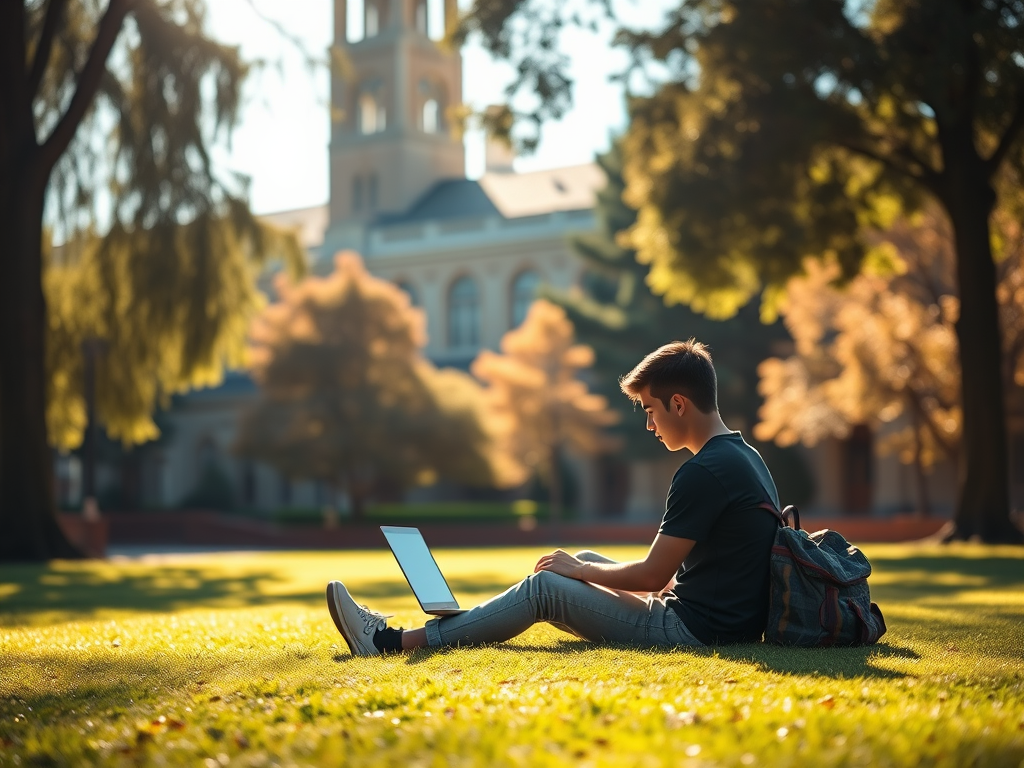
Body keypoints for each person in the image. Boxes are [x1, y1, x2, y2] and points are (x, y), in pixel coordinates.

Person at [326, 339, 780, 655]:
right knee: (575, 561)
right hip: (720, 622)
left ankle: (389, 642)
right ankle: (471, 624)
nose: (649, 425)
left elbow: (652, 574)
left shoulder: (702, 472)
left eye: (650, 410)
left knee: (548, 586)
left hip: (695, 632)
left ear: (678, 403)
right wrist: (585, 569)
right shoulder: (744, 456)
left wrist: (581, 572)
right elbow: (705, 564)